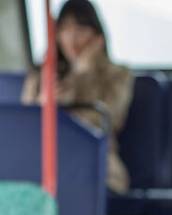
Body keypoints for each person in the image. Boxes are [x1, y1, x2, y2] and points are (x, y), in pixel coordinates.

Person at [21, 0, 134, 195]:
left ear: (97, 35)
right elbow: (22, 128)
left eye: (81, 29)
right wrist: (42, 104)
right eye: (65, 29)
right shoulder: (42, 75)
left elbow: (107, 120)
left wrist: (82, 74)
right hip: (43, 163)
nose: (72, 37)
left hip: (96, 165)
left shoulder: (118, 75)